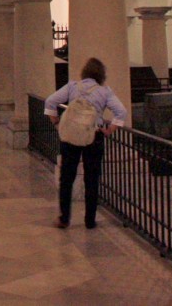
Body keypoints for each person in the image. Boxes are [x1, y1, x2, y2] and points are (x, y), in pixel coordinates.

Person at [44, 57, 127, 230]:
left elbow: (50, 101)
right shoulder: (105, 92)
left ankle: (64, 218)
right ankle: (90, 220)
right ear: (101, 75)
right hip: (93, 136)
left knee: (67, 177)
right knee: (92, 178)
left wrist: (56, 123)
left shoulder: (73, 87)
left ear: (84, 72)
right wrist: (109, 129)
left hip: (71, 136)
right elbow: (121, 111)